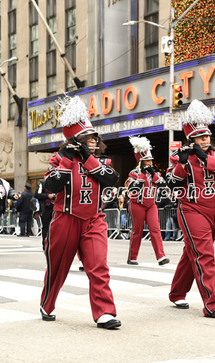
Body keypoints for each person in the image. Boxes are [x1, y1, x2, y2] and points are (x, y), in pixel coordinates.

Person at [39, 94, 121, 329]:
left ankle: (105, 312)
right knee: (57, 268)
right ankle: (47, 303)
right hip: (65, 219)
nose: (93, 141)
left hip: (94, 219)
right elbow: (52, 185)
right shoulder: (58, 159)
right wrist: (67, 159)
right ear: (75, 140)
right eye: (87, 138)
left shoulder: (102, 162)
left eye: (94, 137)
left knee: (99, 266)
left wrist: (88, 158)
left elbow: (111, 179)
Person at [166, 99, 215, 318]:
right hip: (191, 209)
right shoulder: (179, 156)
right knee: (204, 253)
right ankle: (212, 303)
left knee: (192, 251)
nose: (205, 139)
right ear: (191, 139)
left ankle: (177, 292)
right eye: (200, 136)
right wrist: (181, 164)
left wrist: (205, 158)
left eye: (206, 136)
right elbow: (171, 183)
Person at [125, 136, 169, 266]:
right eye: (147, 160)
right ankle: (132, 257)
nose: (150, 162)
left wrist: (152, 173)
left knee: (155, 230)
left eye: (151, 160)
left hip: (151, 205)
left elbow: (162, 185)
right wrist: (143, 174)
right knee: (137, 231)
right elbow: (134, 189)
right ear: (141, 161)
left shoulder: (156, 173)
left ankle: (161, 256)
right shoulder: (133, 173)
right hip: (136, 204)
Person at [34, 180, 56, 250]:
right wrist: (47, 196)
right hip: (45, 209)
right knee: (45, 228)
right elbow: (37, 194)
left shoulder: (59, 181)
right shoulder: (43, 183)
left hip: (56, 208)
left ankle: (54, 246)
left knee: (55, 228)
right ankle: (45, 246)